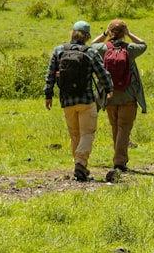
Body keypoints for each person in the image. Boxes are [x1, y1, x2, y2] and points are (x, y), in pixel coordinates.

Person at [45, 20, 114, 182]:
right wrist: (109, 89)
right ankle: (81, 164)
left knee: (74, 134)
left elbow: (49, 75)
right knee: (87, 133)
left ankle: (79, 164)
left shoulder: (59, 51)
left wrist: (48, 95)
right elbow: (102, 73)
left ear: (72, 34)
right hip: (86, 100)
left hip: (67, 100)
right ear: (87, 36)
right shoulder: (90, 52)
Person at [93, 19, 147, 183]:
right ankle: (119, 161)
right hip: (128, 94)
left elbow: (92, 44)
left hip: (109, 94)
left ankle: (118, 157)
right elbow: (144, 44)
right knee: (125, 127)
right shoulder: (130, 49)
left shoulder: (103, 48)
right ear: (124, 33)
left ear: (110, 32)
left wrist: (104, 34)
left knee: (115, 126)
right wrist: (129, 34)